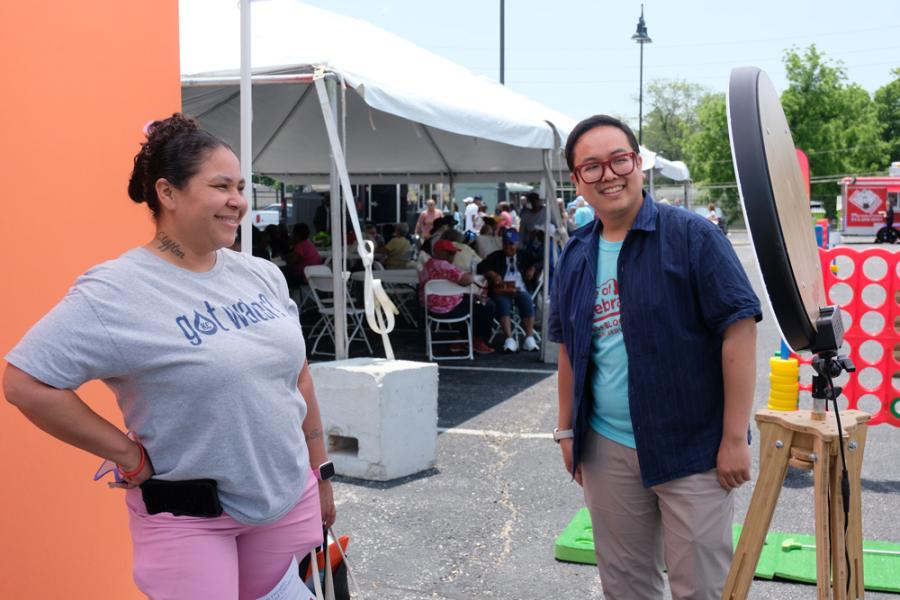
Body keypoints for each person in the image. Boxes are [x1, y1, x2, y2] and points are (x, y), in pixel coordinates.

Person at [2, 114, 335, 600]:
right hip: (190, 515)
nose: (238, 201)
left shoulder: (260, 274)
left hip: (287, 499)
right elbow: (24, 383)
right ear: (168, 192)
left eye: (240, 187)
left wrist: (321, 473)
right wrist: (129, 456)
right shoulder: (115, 291)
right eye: (220, 186)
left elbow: (298, 378)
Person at [549, 114, 761, 600]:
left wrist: (734, 438)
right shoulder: (576, 254)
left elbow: (739, 331)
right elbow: (569, 348)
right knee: (625, 586)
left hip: (692, 447)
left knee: (701, 588)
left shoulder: (692, 236)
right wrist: (566, 431)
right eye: (592, 166)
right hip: (605, 447)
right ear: (577, 181)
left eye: (619, 160)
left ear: (638, 164)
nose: (609, 174)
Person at [419, 239, 494, 355]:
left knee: (472, 301)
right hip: (451, 309)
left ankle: (460, 340)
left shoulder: (427, 265)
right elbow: (466, 280)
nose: (453, 256)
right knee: (486, 305)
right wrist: (470, 276)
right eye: (449, 253)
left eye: (453, 253)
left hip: (431, 311)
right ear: (439, 253)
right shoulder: (445, 265)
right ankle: (478, 341)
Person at [477, 228, 539, 352]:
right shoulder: (495, 256)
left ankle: (529, 338)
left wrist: (532, 268)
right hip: (502, 290)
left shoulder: (524, 255)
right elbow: (481, 267)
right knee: (502, 303)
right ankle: (509, 339)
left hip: (520, 289)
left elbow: (539, 261)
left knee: (527, 300)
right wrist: (493, 274)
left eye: (511, 243)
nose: (507, 246)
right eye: (505, 243)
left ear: (517, 244)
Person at [285, 222, 322, 287]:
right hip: (314, 275)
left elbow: (294, 259)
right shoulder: (308, 244)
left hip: (304, 276)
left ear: (297, 236)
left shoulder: (300, 246)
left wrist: (285, 257)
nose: (291, 235)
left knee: (285, 274)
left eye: (293, 234)